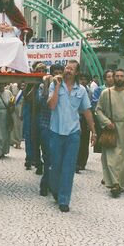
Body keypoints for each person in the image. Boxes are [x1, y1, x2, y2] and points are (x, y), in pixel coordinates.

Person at [47, 60, 97, 212]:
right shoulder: (54, 85)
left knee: (68, 168)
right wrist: (56, 86)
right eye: (67, 67)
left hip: (73, 134)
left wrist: (94, 131)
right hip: (56, 131)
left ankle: (64, 200)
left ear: (76, 73)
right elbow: (51, 105)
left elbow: (87, 111)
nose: (68, 70)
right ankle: (55, 190)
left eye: (72, 69)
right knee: (55, 166)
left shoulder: (81, 90)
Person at [95, 69, 124, 198]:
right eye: (117, 76)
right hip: (111, 128)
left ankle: (119, 184)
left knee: (123, 158)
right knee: (110, 158)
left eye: (121, 76)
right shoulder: (106, 93)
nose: (119, 78)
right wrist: (106, 122)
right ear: (113, 77)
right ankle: (113, 184)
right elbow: (98, 110)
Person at [38, 63, 64, 197]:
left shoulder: (65, 87)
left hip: (59, 128)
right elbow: (42, 102)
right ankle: (45, 184)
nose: (58, 75)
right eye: (56, 72)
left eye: (60, 72)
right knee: (48, 157)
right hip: (46, 125)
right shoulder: (44, 85)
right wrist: (48, 87)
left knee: (57, 159)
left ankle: (54, 184)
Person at [10, 82, 25, 149]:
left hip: (21, 110)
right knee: (13, 126)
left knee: (19, 126)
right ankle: (12, 141)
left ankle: (18, 142)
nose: (22, 86)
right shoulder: (13, 87)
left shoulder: (25, 90)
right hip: (14, 109)